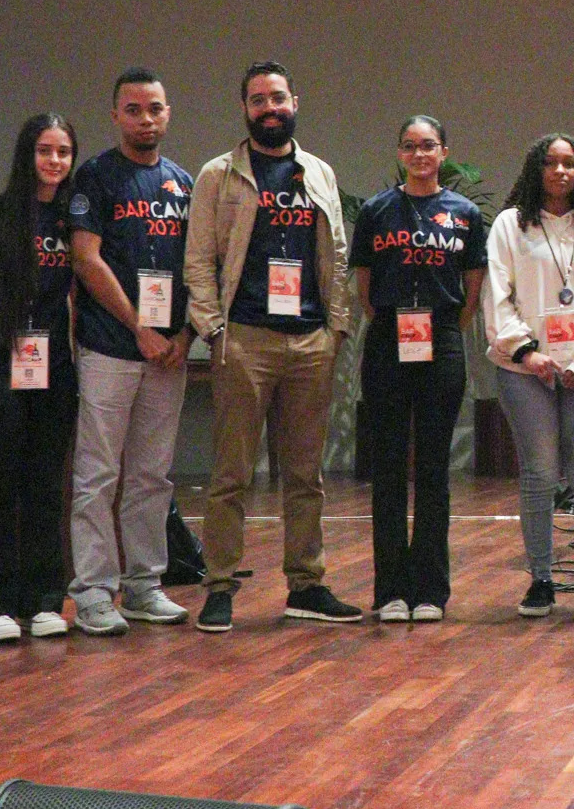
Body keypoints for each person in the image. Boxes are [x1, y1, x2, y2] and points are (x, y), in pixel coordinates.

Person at [184, 63, 360, 633]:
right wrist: (214, 330)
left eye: (277, 97)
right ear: (245, 109)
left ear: (294, 102)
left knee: (307, 476)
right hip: (245, 339)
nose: (269, 108)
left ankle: (306, 585)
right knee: (231, 475)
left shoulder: (320, 173)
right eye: (257, 99)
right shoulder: (219, 175)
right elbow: (198, 260)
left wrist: (335, 329)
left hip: (311, 341)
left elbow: (336, 253)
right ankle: (219, 586)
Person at [67, 68, 195, 635]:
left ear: (168, 114)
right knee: (98, 474)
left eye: (155, 109)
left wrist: (185, 336)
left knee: (152, 476)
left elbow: (201, 265)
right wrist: (138, 327)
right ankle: (95, 592)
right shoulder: (96, 177)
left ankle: (144, 585)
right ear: (116, 115)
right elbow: (86, 258)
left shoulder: (183, 184)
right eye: (134, 110)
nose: (146, 119)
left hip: (168, 354)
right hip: (111, 348)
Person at [482, 134, 574, 618]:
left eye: (569, 163)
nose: (560, 171)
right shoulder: (510, 225)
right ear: (536, 169)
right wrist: (528, 353)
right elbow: (496, 295)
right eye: (550, 162)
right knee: (540, 473)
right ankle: (541, 580)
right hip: (525, 369)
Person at [353, 116, 488, 623]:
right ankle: (390, 590)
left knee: (433, 469)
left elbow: (472, 289)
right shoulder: (376, 211)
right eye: (409, 146)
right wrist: (393, 322)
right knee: (388, 469)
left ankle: (431, 590)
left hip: (442, 338)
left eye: (428, 146)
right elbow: (365, 288)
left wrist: (444, 326)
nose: (419, 155)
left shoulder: (465, 214)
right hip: (388, 339)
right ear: (399, 153)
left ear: (444, 152)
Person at [0, 113, 79, 643]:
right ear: (26, 155)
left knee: (46, 486)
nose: (54, 161)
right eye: (44, 150)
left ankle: (44, 601)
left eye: (63, 151)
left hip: (54, 370)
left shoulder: (73, 222)